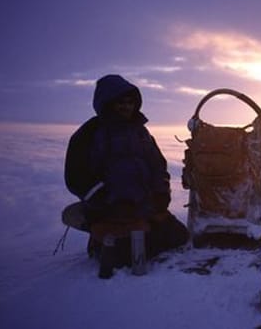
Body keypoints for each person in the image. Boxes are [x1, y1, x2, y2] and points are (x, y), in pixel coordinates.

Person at [64, 74, 189, 278]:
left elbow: (158, 166)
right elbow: (76, 176)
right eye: (120, 102)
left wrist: (160, 194)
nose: (126, 107)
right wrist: (104, 200)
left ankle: (128, 236)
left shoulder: (141, 132)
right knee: (124, 257)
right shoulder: (89, 133)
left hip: (143, 206)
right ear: (107, 103)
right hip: (108, 208)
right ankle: (100, 240)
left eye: (130, 102)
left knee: (179, 236)